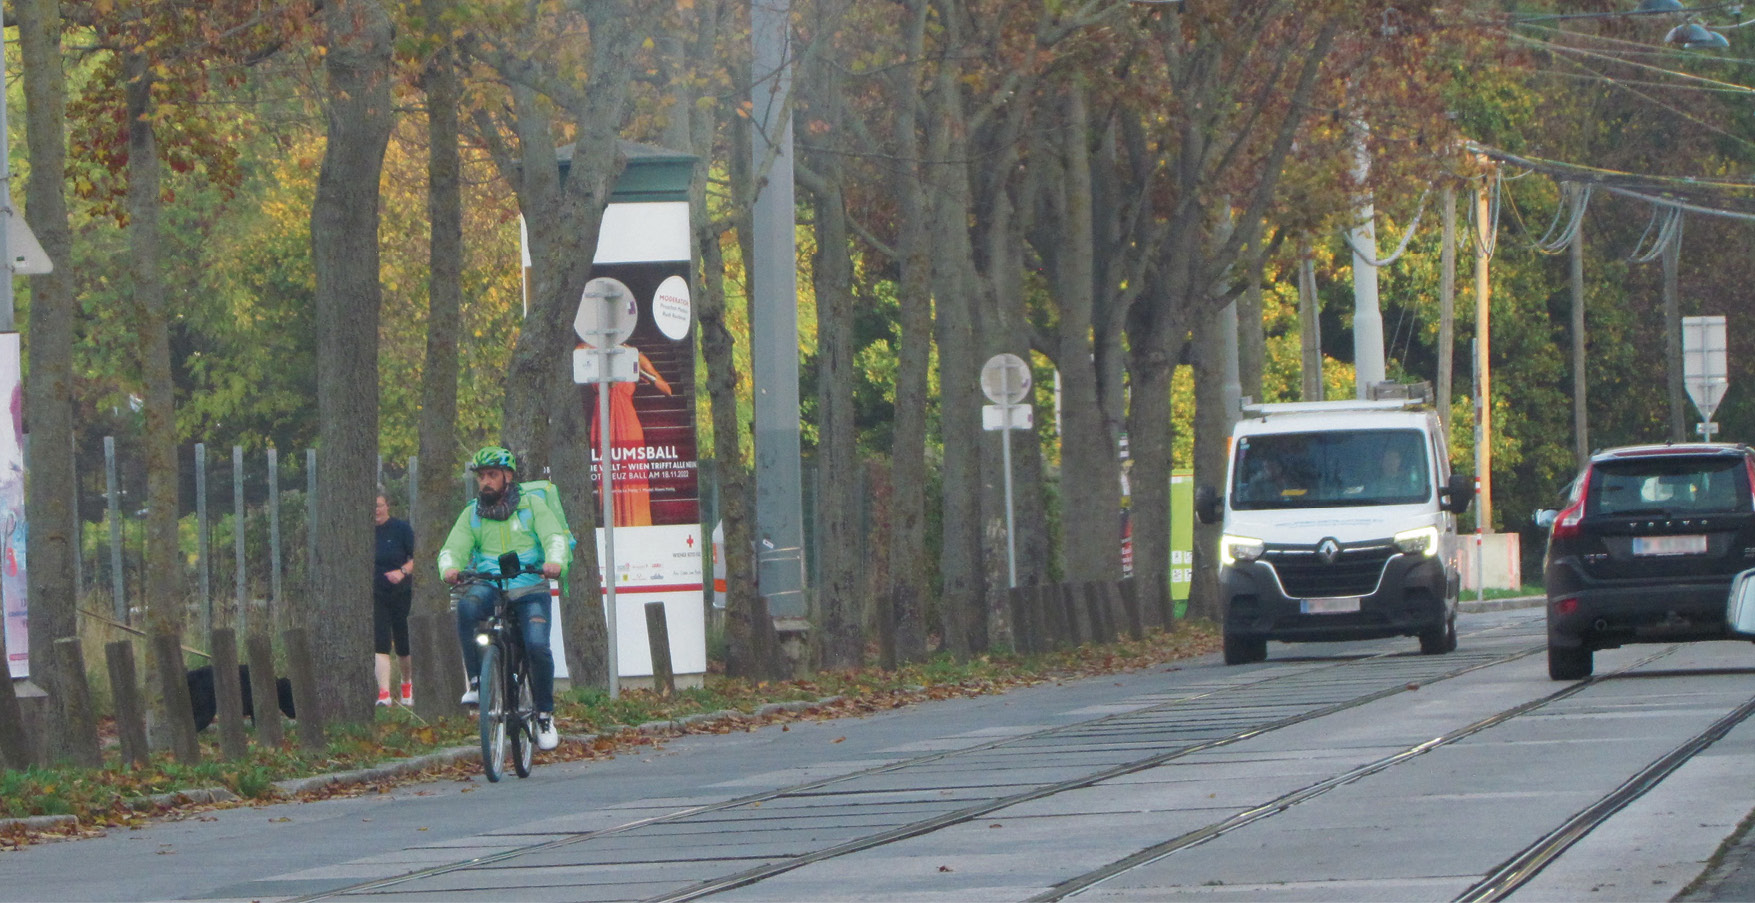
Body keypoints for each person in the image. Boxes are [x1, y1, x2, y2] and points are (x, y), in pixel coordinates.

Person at [437, 446, 571, 750]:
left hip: (529, 586)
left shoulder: (533, 507)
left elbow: (554, 537)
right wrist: (450, 568)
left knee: (537, 645)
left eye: (492, 475)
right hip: (490, 583)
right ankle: (476, 682)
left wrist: (555, 563)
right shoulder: (472, 512)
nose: (485, 481)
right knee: (467, 607)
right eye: (482, 476)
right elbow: (452, 547)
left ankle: (545, 715)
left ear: (507, 477)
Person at [585, 343, 673, 527]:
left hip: (626, 422)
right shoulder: (592, 350)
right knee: (605, 477)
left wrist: (638, 370)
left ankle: (635, 526)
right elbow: (578, 353)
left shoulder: (635, 355)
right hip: (602, 422)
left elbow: (667, 389)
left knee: (630, 477)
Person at [373, 492, 415, 707]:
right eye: (372, 507)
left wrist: (402, 572)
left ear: (387, 506)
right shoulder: (364, 532)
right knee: (380, 642)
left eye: (379, 505)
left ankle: (407, 685)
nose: (376, 510)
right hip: (375, 594)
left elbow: (418, 557)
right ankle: (384, 693)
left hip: (401, 593)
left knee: (403, 644)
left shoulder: (401, 529)